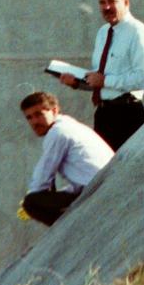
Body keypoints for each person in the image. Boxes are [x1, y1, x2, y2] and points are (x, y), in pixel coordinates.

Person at [59, 0, 144, 150]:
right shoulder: (103, 33)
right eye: (102, 2)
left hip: (128, 114)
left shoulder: (138, 32)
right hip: (104, 115)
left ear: (126, 2)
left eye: (112, 1)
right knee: (103, 171)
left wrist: (105, 81)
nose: (107, 7)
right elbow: (100, 79)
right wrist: (77, 83)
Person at [19, 91, 114, 226]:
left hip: (97, 188)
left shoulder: (58, 133)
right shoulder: (69, 125)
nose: (34, 122)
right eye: (29, 118)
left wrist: (29, 203)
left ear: (54, 110)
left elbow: (43, 176)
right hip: (100, 182)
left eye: (39, 114)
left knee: (31, 202)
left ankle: (73, 229)